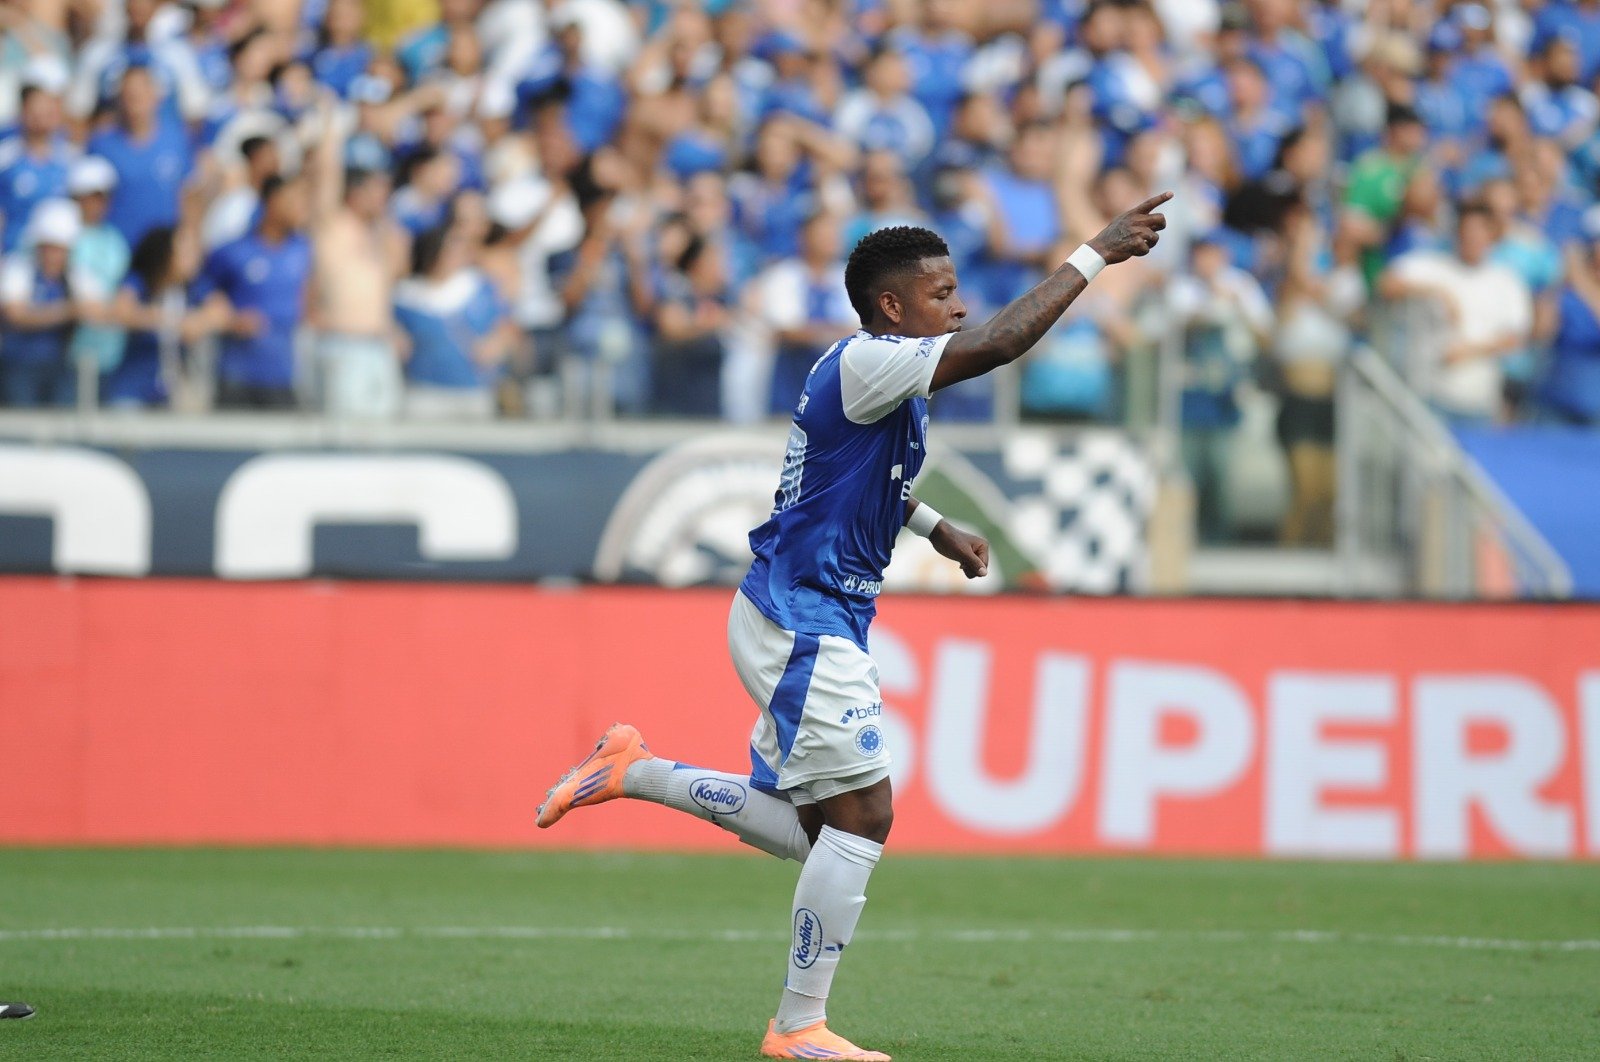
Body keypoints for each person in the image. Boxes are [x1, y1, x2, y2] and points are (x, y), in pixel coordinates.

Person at [535, 191, 1171, 1060]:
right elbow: (1002, 344)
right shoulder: (873, 361)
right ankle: (797, 1028)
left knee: (824, 830)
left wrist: (933, 526)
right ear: (891, 305)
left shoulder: (876, 376)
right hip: (801, 616)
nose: (958, 306)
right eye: (942, 292)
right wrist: (1095, 252)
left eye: (957, 290)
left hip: (806, 611)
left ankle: (634, 771)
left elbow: (856, 481)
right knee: (864, 818)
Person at [194, 174, 313, 410]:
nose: (302, 206)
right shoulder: (234, 251)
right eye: (295, 198)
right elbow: (200, 288)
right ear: (273, 201)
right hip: (237, 375)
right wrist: (229, 318)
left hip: (284, 375)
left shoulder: (304, 250)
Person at [393, 224, 516, 419]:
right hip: (424, 391)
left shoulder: (480, 288)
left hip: (473, 389)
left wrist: (496, 346)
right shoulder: (407, 296)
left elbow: (506, 327)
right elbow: (396, 336)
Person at [0, 197, 79, 407]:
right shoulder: (18, 269)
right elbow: (15, 314)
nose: (54, 256)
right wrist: (67, 311)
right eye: (49, 248)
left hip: (60, 367)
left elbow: (99, 309)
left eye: (59, 249)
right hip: (19, 365)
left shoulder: (74, 276)